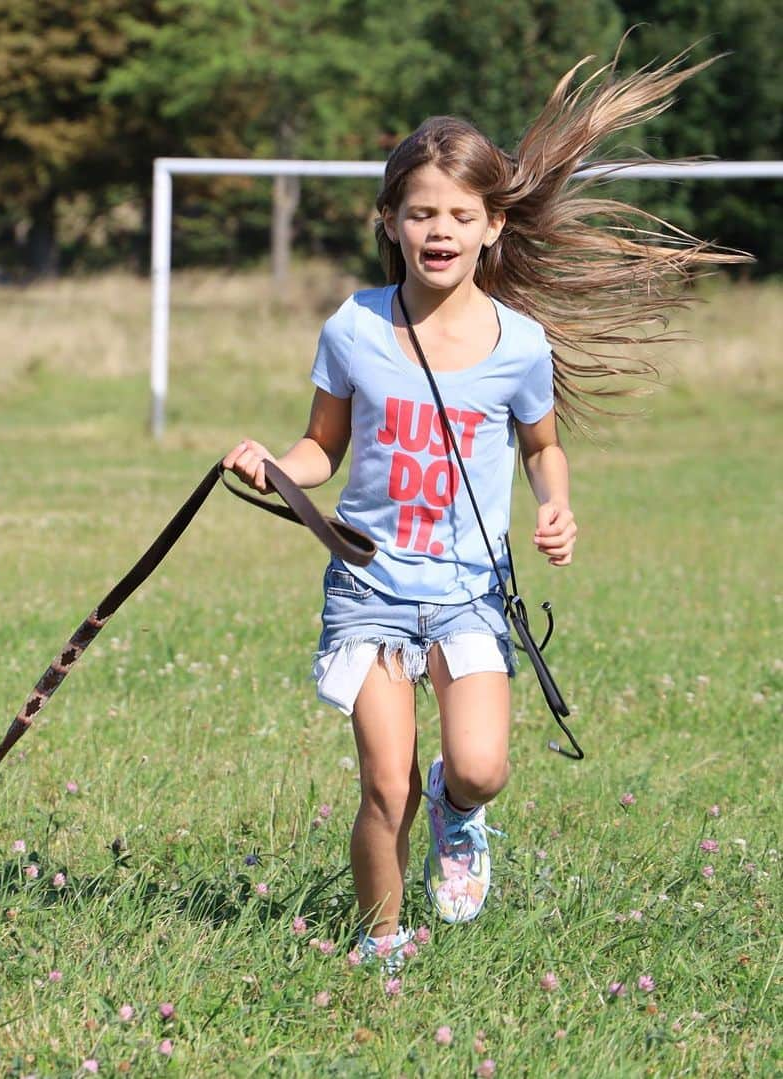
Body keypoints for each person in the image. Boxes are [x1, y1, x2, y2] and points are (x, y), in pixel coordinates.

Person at [224, 49, 745, 965]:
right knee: (384, 785)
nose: (439, 230)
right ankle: (380, 943)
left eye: (460, 215)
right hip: (371, 589)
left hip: (469, 593)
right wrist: (275, 464)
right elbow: (323, 448)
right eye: (420, 212)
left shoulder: (521, 344)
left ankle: (458, 817)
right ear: (388, 220)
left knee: (478, 767)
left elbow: (544, 451)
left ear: (493, 226)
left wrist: (557, 507)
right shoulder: (352, 327)